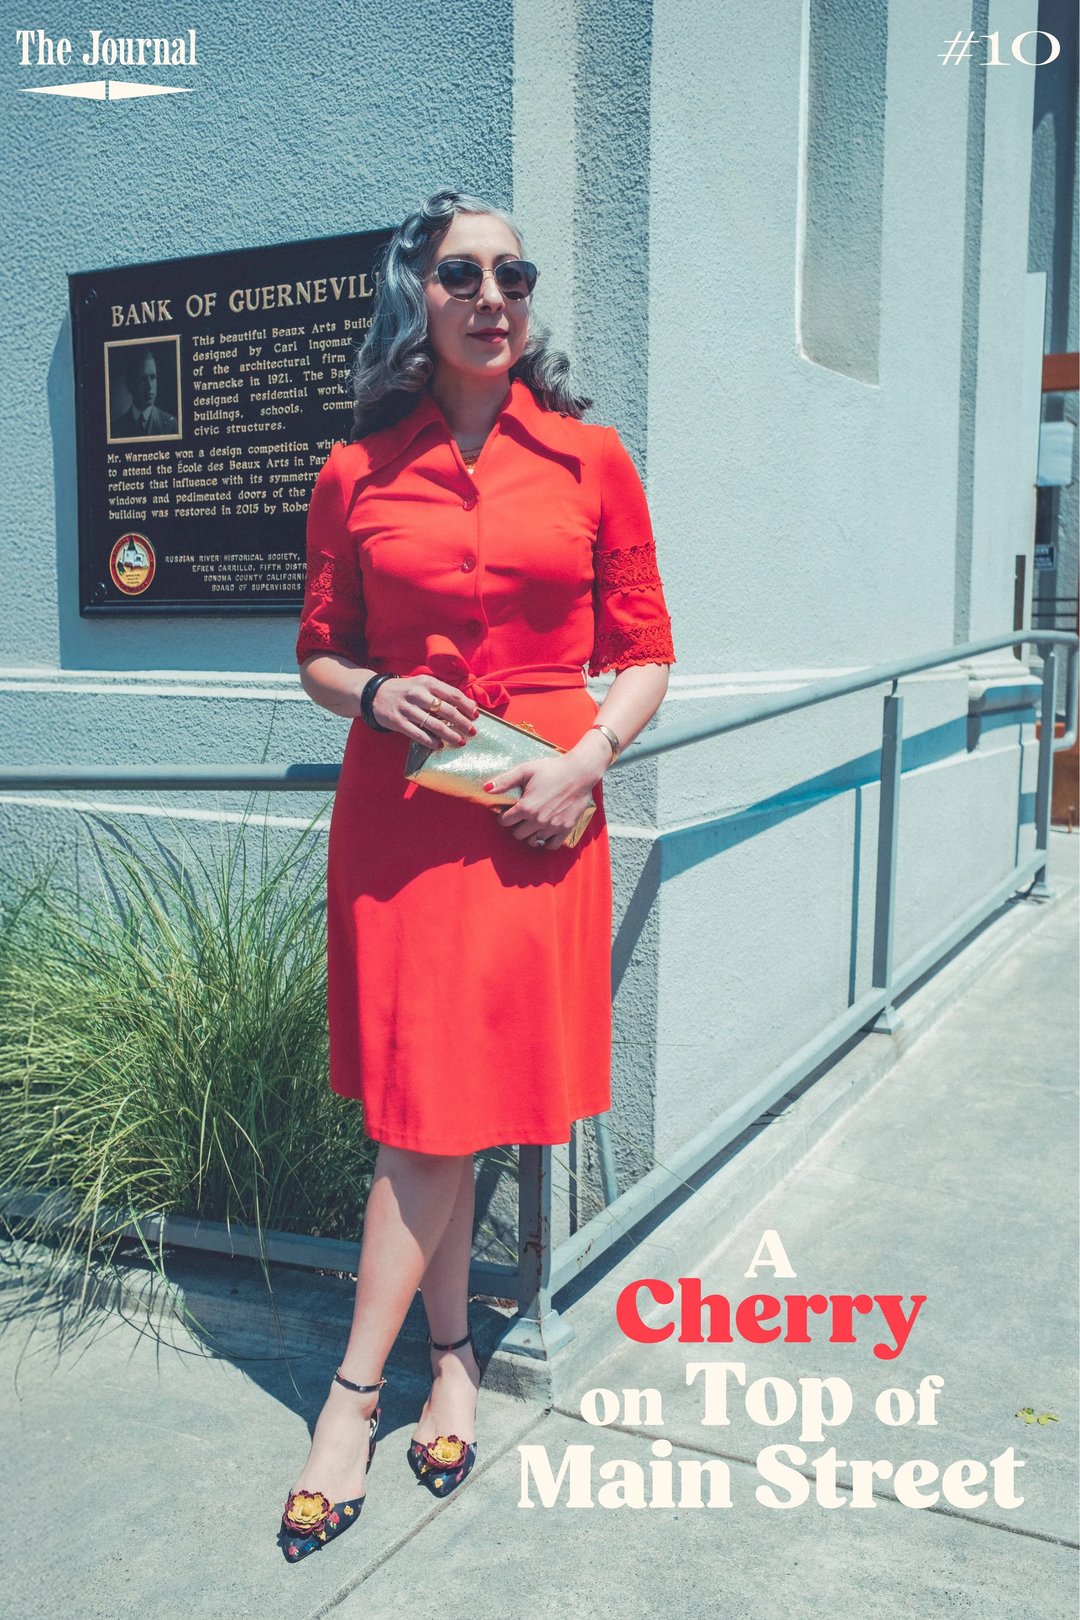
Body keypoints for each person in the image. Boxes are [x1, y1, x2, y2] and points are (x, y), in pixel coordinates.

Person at [278, 188, 675, 1562]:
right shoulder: (355, 471)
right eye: (463, 272)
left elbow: (649, 646)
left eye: (515, 270)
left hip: (537, 821)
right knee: (429, 1108)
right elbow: (319, 650)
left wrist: (591, 762)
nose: (494, 291)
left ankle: (354, 1398)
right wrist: (374, 694)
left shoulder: (589, 460)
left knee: (452, 1111)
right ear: (418, 296)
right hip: (402, 826)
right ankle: (444, 1361)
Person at [111, 346, 178, 437]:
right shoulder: (115, 429)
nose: (149, 386)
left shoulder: (172, 425)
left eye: (153, 377)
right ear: (130, 384)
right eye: (142, 379)